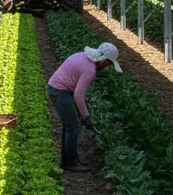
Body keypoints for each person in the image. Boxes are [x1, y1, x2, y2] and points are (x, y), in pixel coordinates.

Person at [46, 42, 122, 172]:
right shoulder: (90, 70)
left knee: (69, 125)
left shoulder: (82, 56)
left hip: (56, 87)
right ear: (104, 61)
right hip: (60, 91)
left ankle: (68, 160)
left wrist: (82, 112)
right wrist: (86, 116)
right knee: (73, 126)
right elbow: (78, 95)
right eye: (109, 64)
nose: (108, 67)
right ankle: (71, 162)